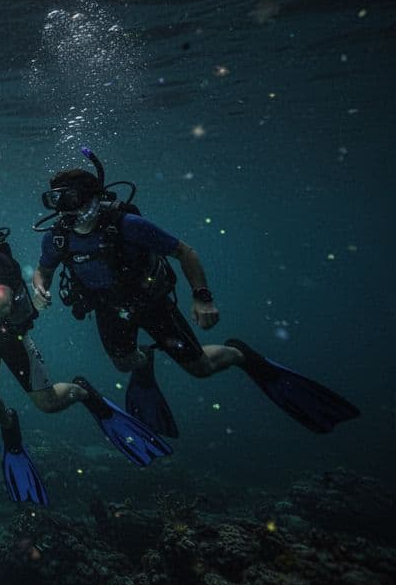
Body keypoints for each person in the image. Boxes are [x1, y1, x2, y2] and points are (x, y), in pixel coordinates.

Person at [30, 148, 359, 438]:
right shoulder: (57, 238)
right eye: (56, 202)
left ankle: (239, 353)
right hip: (108, 309)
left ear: (93, 197)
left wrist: (202, 297)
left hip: (152, 304)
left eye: (70, 200)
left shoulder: (128, 225)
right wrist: (40, 287)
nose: (64, 211)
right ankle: (146, 361)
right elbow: (44, 269)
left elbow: (184, 252)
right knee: (124, 364)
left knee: (200, 369)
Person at [0, 186, 170, 506]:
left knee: (48, 404)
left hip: (10, 336)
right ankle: (10, 426)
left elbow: (2, 302)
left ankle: (83, 391)